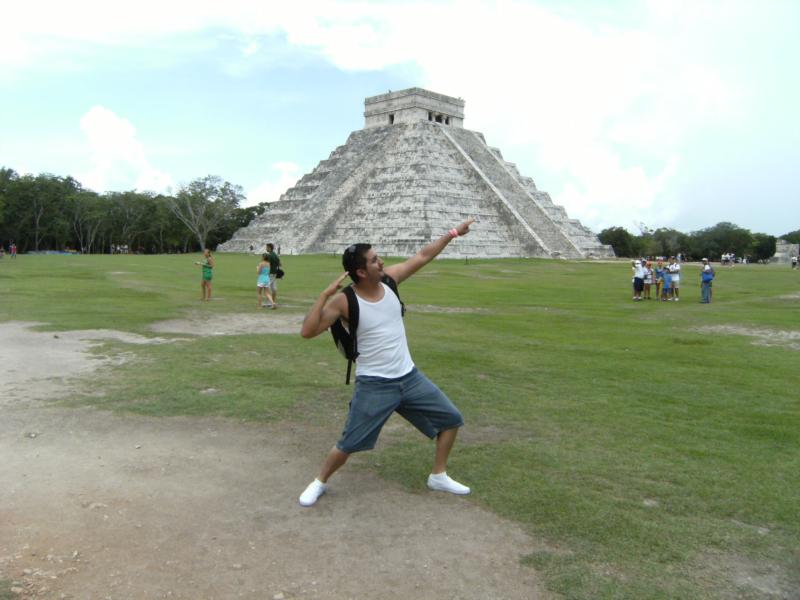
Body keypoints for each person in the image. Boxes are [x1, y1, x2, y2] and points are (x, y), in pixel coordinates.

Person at [297, 218, 475, 507]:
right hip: (375, 384)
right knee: (348, 443)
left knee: (451, 419)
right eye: (374, 260)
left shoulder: (390, 281)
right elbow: (307, 332)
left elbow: (423, 256)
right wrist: (323, 296)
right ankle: (319, 482)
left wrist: (453, 233)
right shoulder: (344, 302)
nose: (381, 262)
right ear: (360, 271)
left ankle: (438, 475)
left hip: (410, 377)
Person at [266, 243, 281, 308]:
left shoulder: (269, 255)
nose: (266, 248)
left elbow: (268, 265)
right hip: (275, 273)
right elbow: (280, 264)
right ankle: (274, 301)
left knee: (267, 288)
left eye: (267, 247)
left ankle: (271, 303)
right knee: (274, 288)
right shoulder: (275, 255)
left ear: (269, 248)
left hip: (270, 273)